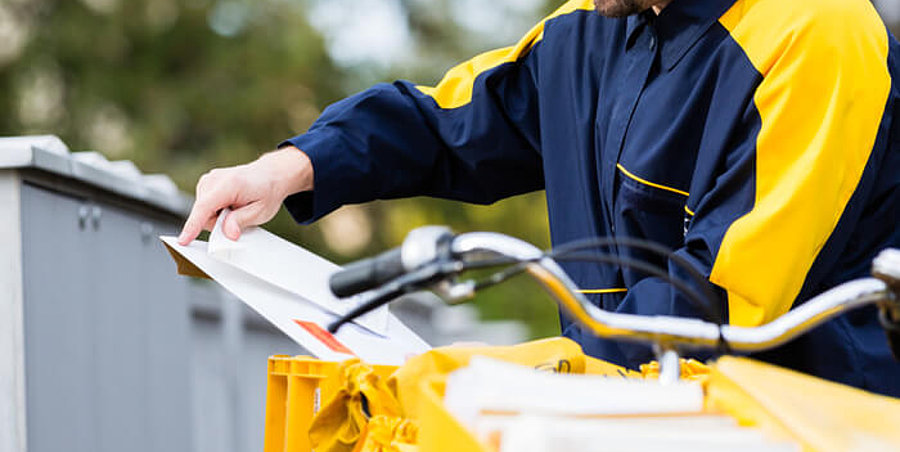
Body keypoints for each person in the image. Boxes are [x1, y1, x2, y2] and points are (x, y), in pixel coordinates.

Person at [178, 0, 900, 396]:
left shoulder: (819, 31)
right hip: (630, 432)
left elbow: (721, 300)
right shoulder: (587, 31)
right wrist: (289, 168)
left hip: (799, 448)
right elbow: (445, 125)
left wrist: (518, 376)